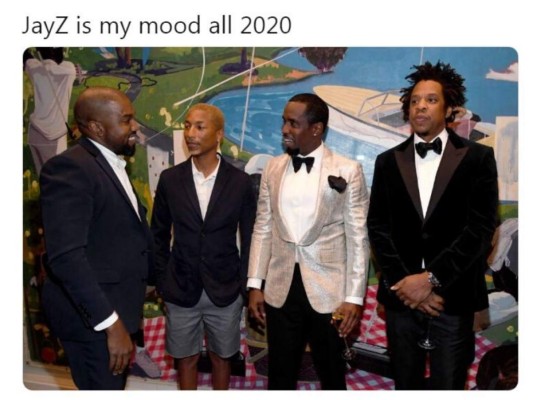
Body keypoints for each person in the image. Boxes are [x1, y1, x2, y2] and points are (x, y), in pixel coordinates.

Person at [367, 61, 499, 390]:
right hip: (401, 301)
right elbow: (378, 229)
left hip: (453, 300)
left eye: (431, 99)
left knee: (449, 385)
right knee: (405, 385)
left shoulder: (479, 158)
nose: (421, 106)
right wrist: (406, 285)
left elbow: (480, 230)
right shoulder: (387, 161)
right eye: (414, 101)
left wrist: (431, 279)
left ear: (450, 109)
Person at [247, 93, 370, 390]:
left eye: (293, 123)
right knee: (280, 376)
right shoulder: (273, 168)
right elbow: (263, 227)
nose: (284, 129)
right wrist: (254, 284)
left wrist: (354, 298)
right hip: (280, 289)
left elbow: (358, 237)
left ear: (316, 129)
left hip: (329, 292)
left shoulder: (348, 170)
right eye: (284, 122)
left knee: (332, 375)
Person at [39, 87, 154, 389]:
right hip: (95, 324)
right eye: (126, 120)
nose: (135, 126)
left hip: (116, 315)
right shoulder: (70, 168)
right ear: (97, 128)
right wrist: (110, 325)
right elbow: (66, 258)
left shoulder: (108, 163)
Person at [151, 103, 256, 390]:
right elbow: (157, 235)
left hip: (225, 289)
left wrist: (244, 287)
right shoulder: (170, 180)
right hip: (180, 288)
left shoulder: (240, 182)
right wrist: (163, 281)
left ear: (218, 134)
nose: (190, 134)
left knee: (223, 358)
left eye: (200, 127)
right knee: (185, 360)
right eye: (187, 126)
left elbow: (250, 238)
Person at [25, 47, 76, 175]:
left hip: (35, 132)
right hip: (54, 135)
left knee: (42, 177)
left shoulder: (34, 67)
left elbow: (26, 57)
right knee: (58, 178)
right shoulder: (68, 69)